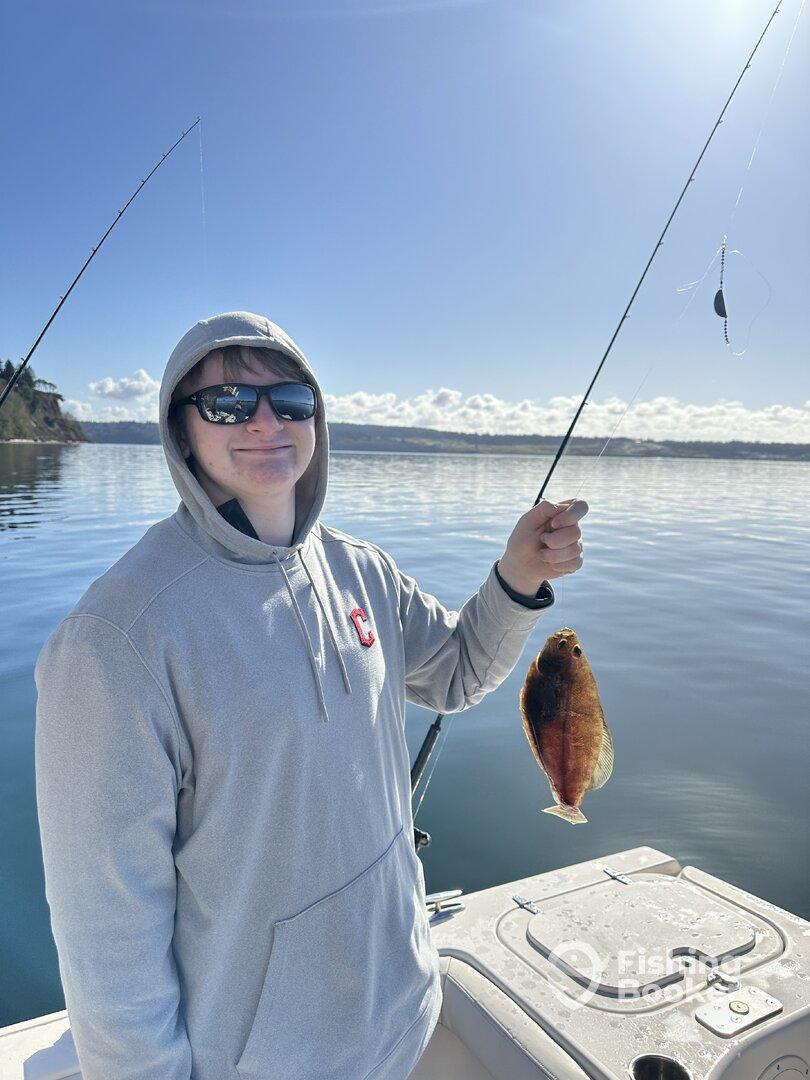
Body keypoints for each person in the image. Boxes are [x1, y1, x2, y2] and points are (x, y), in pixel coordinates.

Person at [34, 310, 588, 1080]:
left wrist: (519, 575)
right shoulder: (114, 638)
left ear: (316, 420)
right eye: (228, 403)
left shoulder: (362, 570)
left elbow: (457, 673)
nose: (265, 422)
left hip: (400, 1013)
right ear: (180, 430)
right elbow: (106, 930)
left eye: (290, 401)